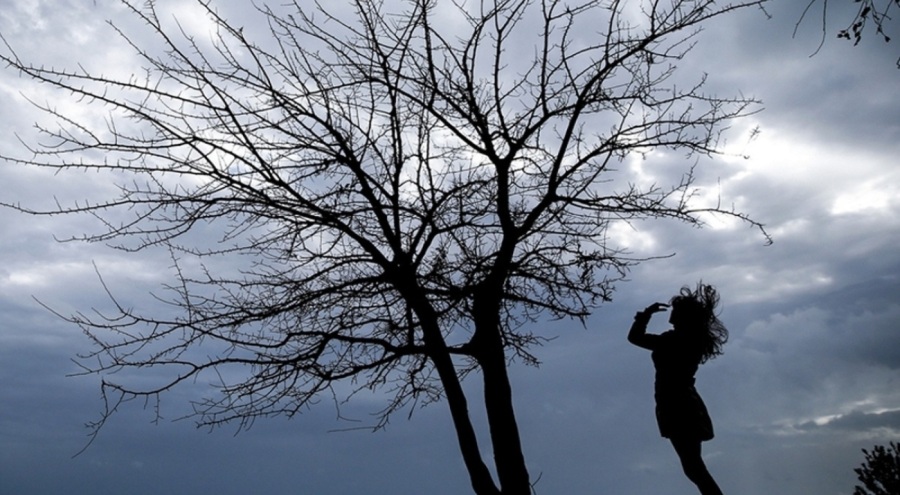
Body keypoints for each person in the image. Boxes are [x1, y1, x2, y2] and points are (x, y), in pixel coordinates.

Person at [628, 283, 728, 495]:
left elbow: (635, 338)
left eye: (675, 311)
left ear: (683, 317)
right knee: (693, 466)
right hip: (681, 402)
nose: (671, 315)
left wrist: (645, 315)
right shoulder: (689, 340)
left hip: (678, 404)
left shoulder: (674, 340)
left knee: (693, 467)